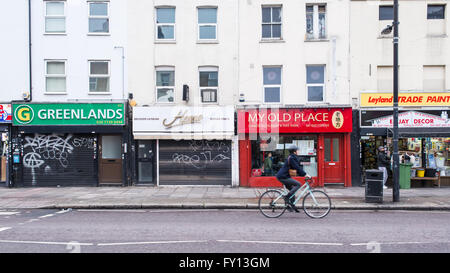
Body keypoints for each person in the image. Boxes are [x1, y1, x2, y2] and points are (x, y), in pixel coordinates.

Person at [276, 145, 311, 212]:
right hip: (283, 177)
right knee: (298, 184)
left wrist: (303, 175)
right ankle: (286, 197)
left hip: (284, 176)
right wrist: (305, 174)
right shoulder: (291, 158)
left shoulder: (292, 157)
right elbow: (297, 168)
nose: (299, 151)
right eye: (298, 150)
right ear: (294, 152)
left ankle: (291, 205)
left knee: (292, 191)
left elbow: (297, 168)